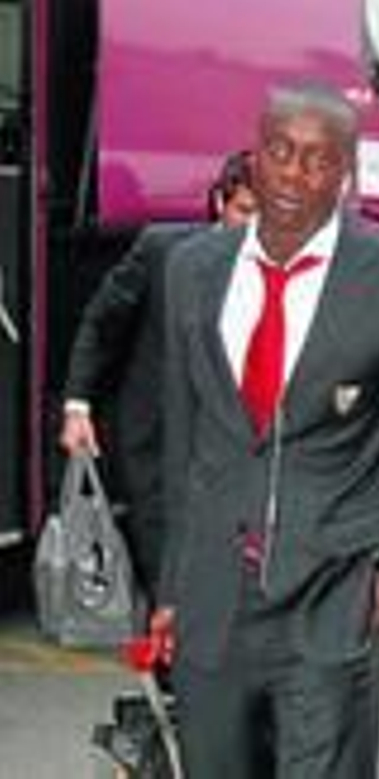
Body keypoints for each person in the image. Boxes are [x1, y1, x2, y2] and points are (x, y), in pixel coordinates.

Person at [154, 82, 379, 777]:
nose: (294, 175)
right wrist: (171, 586)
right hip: (213, 607)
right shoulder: (191, 270)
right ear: (254, 156)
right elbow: (182, 440)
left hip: (332, 607)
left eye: (318, 159)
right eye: (280, 152)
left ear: (346, 174)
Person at [59, 149, 257, 594]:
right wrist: (77, 406)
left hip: (237, 454)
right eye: (245, 211)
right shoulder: (162, 251)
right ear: (219, 202)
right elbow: (102, 322)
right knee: (169, 584)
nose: (254, 228)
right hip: (160, 448)